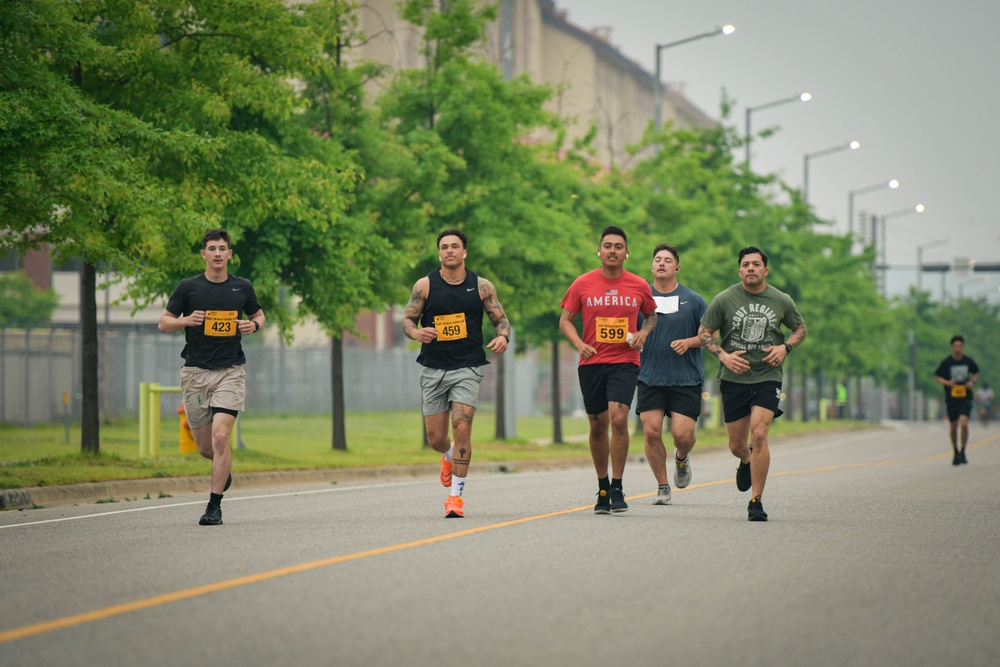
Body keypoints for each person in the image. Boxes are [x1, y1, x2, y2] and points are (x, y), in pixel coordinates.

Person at [158, 229, 265, 526]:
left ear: (230, 254)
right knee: (205, 447)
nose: (217, 253)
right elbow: (163, 323)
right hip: (195, 373)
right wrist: (185, 320)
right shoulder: (188, 287)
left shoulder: (242, 287)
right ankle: (223, 470)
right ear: (203, 254)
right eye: (212, 249)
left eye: (222, 249)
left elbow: (259, 316)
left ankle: (214, 506)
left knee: (221, 437)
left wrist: (253, 327)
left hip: (230, 371)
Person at [403, 229, 510, 518]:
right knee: (436, 438)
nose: (449, 250)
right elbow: (408, 320)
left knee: (461, 427)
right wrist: (416, 333)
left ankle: (455, 499)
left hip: (467, 367)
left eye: (455, 246)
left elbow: (500, 319)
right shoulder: (424, 285)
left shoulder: (482, 286)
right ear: (439, 253)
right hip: (433, 368)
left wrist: (503, 337)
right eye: (444, 247)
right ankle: (448, 457)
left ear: (465, 252)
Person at [698, 246, 807, 522]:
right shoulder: (724, 299)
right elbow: (704, 332)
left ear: (765, 270)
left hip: (768, 375)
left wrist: (785, 348)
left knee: (759, 434)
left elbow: (800, 329)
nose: (750, 268)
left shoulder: (781, 300)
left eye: (756, 264)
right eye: (745, 264)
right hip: (734, 377)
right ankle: (745, 460)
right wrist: (723, 355)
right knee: (737, 444)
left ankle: (756, 501)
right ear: (739, 271)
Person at [559, 226, 657, 514]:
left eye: (618, 246)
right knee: (597, 424)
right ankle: (602, 487)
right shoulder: (583, 283)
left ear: (627, 252)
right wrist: (578, 343)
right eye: (607, 246)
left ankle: (617, 486)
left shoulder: (639, 285)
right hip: (591, 363)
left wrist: (643, 333)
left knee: (618, 417)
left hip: (625, 362)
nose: (613, 250)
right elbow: (565, 320)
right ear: (599, 251)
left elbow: (651, 317)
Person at [636, 244, 707, 506]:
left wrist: (689, 342)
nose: (662, 263)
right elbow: (629, 330)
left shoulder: (695, 300)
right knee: (652, 431)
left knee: (682, 435)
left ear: (677, 267)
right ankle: (663, 486)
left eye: (668, 260)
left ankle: (681, 457)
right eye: (657, 260)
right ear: (652, 267)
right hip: (650, 376)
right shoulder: (640, 298)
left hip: (685, 377)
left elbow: (710, 336)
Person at [934, 335, 979, 464]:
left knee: (964, 423)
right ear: (951, 347)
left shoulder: (968, 361)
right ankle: (955, 451)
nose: (958, 348)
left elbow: (975, 372)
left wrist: (972, 382)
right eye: (955, 346)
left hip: (965, 397)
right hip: (952, 398)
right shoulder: (947, 362)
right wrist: (948, 382)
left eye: (960, 346)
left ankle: (963, 451)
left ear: (963, 347)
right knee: (953, 426)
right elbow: (937, 377)